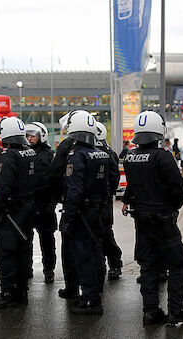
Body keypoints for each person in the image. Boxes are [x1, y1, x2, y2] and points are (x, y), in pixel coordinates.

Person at [122, 111, 183, 325]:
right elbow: (178, 190)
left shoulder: (130, 156)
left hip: (141, 221)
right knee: (178, 263)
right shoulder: (163, 156)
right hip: (163, 220)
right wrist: (171, 210)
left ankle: (150, 311)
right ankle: (176, 310)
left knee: (148, 266)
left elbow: (133, 186)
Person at [58, 111, 109, 315]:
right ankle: (95, 293)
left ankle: (90, 300)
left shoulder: (76, 155)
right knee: (96, 254)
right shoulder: (101, 153)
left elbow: (74, 190)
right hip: (98, 210)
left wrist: (68, 219)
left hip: (81, 214)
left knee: (83, 256)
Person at [0, 117, 36, 310]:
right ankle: (21, 292)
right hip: (27, 208)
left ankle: (8, 293)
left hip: (11, 211)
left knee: (7, 253)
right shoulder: (30, 152)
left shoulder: (9, 156)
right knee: (23, 252)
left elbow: (4, 187)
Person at [25, 122, 57, 283]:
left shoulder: (48, 154)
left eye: (33, 136)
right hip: (28, 203)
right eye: (28, 135)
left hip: (44, 203)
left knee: (47, 239)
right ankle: (27, 268)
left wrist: (51, 204)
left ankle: (49, 269)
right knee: (26, 239)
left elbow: (52, 181)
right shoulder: (23, 152)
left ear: (41, 136)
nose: (30, 138)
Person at [54, 112, 77, 299]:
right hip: (98, 209)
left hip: (71, 206)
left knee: (69, 250)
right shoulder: (101, 145)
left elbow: (55, 173)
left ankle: (72, 288)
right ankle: (93, 292)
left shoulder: (66, 146)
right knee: (93, 250)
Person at [95, 121, 122, 281]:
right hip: (96, 200)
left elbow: (114, 176)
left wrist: (107, 192)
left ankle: (115, 263)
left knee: (106, 234)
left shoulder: (108, 153)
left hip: (103, 201)